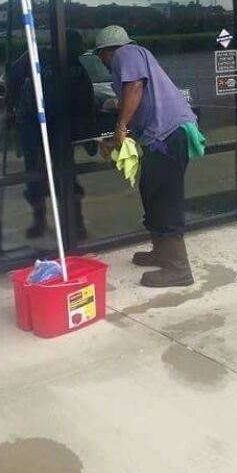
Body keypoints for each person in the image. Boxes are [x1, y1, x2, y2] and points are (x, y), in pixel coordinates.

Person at [95, 24, 201, 288]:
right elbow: (138, 105)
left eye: (100, 56)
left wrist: (119, 127)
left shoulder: (126, 53)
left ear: (107, 51)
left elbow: (135, 88)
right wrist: (117, 136)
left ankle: (179, 269)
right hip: (163, 137)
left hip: (168, 135)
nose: (103, 62)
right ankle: (162, 252)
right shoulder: (137, 57)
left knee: (165, 198)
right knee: (151, 190)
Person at [6, 28, 95, 241]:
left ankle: (77, 222)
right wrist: (12, 111)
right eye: (75, 48)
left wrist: (85, 130)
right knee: (34, 174)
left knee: (66, 173)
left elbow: (86, 100)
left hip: (61, 128)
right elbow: (13, 78)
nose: (78, 53)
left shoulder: (76, 68)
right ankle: (39, 220)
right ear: (64, 45)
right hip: (32, 124)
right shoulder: (37, 56)